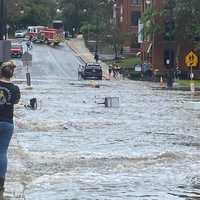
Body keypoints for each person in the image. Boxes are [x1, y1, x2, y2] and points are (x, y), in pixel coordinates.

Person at [0, 61, 20, 198]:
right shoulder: (15, 89)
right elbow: (16, 101)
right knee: (2, 152)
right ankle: (1, 183)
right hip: (7, 123)